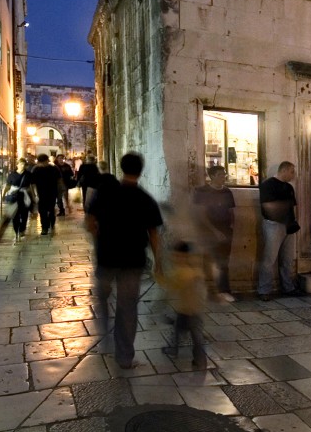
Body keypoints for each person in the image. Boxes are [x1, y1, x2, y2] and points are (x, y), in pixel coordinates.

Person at [85, 153, 164, 367]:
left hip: (106, 257)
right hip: (132, 261)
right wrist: (159, 263)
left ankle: (104, 328)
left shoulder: (106, 193)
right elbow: (154, 235)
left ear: (121, 167)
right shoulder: (146, 199)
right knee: (127, 307)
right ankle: (125, 356)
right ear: (141, 170)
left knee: (103, 295)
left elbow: (90, 220)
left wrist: (98, 236)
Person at [159, 241, 210, 369]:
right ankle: (180, 351)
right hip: (192, 309)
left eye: (177, 256)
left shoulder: (182, 273)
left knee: (194, 336)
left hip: (188, 310)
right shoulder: (195, 270)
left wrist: (159, 278)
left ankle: (198, 359)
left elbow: (171, 285)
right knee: (182, 330)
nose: (175, 259)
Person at [257, 162, 300, 300]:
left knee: (287, 259)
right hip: (273, 225)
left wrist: (293, 221)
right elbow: (267, 206)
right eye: (292, 172)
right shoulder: (267, 185)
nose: (294, 175)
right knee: (269, 258)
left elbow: (293, 206)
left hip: (289, 225)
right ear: (285, 170)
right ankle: (264, 290)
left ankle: (288, 287)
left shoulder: (289, 187)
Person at [194, 166, 237, 300]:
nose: (223, 177)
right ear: (212, 176)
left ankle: (224, 290)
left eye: (224, 174)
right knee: (204, 260)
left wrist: (232, 226)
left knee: (223, 261)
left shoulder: (227, 192)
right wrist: (214, 231)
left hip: (225, 230)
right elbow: (200, 214)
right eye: (220, 175)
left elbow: (231, 211)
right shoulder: (202, 191)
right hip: (208, 231)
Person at [28, 154, 63, 235]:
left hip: (49, 193)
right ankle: (45, 227)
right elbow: (32, 184)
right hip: (45, 193)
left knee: (49, 209)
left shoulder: (52, 168)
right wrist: (35, 195)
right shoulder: (38, 169)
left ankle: (49, 224)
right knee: (44, 210)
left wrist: (59, 192)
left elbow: (59, 180)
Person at [3, 161, 32, 239]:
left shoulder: (28, 174)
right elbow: (8, 186)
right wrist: (3, 195)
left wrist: (34, 195)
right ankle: (16, 230)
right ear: (17, 165)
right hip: (14, 196)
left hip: (24, 196)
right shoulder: (12, 175)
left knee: (24, 214)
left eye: (24, 164)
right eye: (21, 164)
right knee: (15, 215)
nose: (22, 165)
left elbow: (31, 186)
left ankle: (22, 229)